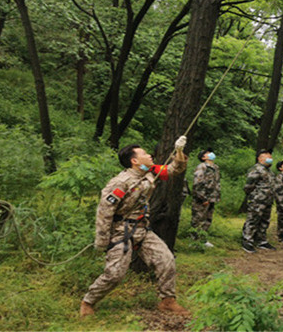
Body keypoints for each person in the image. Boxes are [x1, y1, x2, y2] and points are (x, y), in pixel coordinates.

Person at [80, 136, 190, 317]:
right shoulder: (120, 183)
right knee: (115, 274)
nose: (149, 155)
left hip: (142, 229)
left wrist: (178, 151)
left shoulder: (148, 170)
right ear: (134, 161)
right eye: (145, 153)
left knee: (166, 260)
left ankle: (167, 301)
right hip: (120, 231)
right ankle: (88, 301)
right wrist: (102, 241)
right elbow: (104, 211)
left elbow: (174, 169)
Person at [241, 149, 276, 253]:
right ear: (260, 159)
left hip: (268, 200)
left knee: (265, 221)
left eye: (271, 157)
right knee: (253, 220)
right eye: (267, 157)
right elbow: (248, 186)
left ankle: (261, 241)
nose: (270, 159)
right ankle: (247, 241)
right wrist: (255, 196)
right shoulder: (256, 169)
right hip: (257, 200)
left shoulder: (269, 171)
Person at [191, 148, 220, 247]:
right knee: (198, 219)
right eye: (207, 153)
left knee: (207, 219)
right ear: (203, 157)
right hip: (202, 198)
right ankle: (195, 241)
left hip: (212, 198)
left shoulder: (215, 167)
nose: (211, 154)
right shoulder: (202, 167)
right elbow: (197, 184)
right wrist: (203, 198)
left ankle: (203, 239)